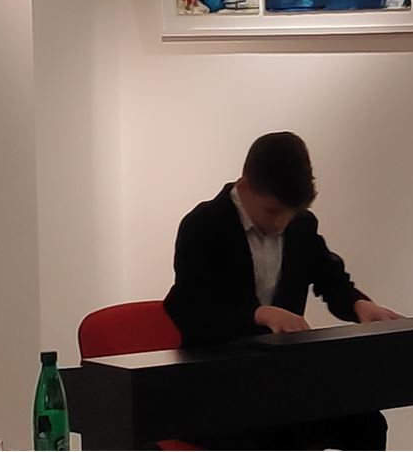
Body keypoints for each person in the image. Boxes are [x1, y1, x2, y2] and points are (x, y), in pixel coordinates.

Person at [163, 131, 400, 450]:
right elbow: (191, 312)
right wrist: (257, 314)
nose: (280, 223)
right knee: (278, 436)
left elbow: (329, 277)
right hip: (216, 382)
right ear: (244, 186)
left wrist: (359, 305)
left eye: (290, 212)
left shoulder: (300, 224)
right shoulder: (203, 224)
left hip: (279, 377)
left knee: (366, 423)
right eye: (272, 211)